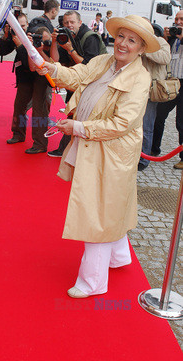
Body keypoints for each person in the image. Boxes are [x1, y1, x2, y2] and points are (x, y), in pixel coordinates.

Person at [36, 15, 159, 297]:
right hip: (93, 144)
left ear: (141, 49)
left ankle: (93, 282)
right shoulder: (104, 61)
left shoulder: (140, 78)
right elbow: (77, 76)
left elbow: (121, 124)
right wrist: (48, 66)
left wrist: (78, 127)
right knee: (110, 205)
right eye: (122, 37)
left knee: (97, 212)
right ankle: (119, 256)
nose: (123, 44)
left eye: (132, 40)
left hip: (111, 152)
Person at [48, 10, 106, 158]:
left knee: (79, 115)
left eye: (72, 22)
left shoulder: (89, 37)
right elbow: (56, 60)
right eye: (66, 22)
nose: (69, 25)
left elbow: (89, 68)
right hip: (76, 80)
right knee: (72, 112)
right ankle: (67, 149)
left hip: (94, 82)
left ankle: (68, 150)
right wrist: (55, 42)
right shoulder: (66, 36)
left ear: (80, 23)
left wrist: (70, 50)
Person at [7, 25, 58, 154]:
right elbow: (31, 67)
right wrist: (32, 48)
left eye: (47, 40)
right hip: (27, 77)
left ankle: (40, 143)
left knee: (39, 111)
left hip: (43, 78)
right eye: (42, 40)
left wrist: (41, 50)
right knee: (19, 105)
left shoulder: (51, 46)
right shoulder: (29, 45)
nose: (44, 43)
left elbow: (53, 64)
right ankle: (18, 134)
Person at [152, 9, 183, 169]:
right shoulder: (173, 38)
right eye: (176, 18)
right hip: (171, 82)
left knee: (181, 122)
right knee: (159, 116)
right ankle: (154, 149)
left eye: (181, 19)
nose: (178, 22)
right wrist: (166, 38)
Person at [138, 34, 171, 171]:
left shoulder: (161, 42)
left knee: (146, 127)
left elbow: (165, 58)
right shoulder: (136, 41)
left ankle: (144, 159)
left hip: (151, 92)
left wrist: (144, 49)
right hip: (135, 88)